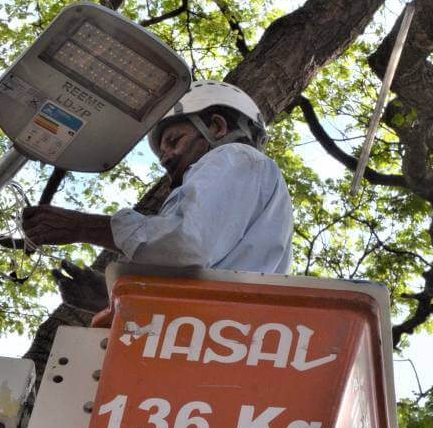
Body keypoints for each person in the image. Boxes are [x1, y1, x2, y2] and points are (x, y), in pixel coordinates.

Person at [22, 81, 294, 311]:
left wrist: (81, 226)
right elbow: (194, 288)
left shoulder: (235, 156)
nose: (167, 158)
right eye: (162, 153)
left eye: (175, 140)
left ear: (217, 128)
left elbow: (185, 245)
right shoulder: (247, 189)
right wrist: (113, 299)